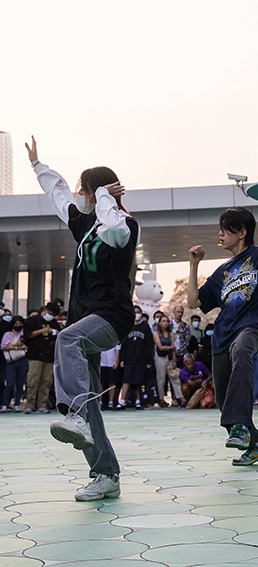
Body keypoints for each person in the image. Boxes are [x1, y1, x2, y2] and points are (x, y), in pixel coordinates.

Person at [27, 136, 138, 501]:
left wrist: (106, 196)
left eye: (87, 191)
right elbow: (59, 195)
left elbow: (117, 232)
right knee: (88, 400)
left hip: (112, 316)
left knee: (66, 339)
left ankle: (73, 415)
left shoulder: (122, 226)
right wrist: (38, 167)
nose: (82, 195)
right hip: (85, 317)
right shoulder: (84, 226)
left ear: (101, 192)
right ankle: (105, 474)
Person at [188, 207, 258, 465]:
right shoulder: (222, 272)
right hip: (221, 334)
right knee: (222, 399)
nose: (220, 233)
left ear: (241, 232)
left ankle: (240, 427)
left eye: (225, 228)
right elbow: (194, 302)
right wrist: (194, 264)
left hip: (250, 327)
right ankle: (257, 444)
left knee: (242, 352)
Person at [23, 302, 62, 414]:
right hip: (35, 355)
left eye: (53, 314)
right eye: (49, 313)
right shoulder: (33, 320)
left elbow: (60, 336)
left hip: (49, 356)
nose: (50, 316)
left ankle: (42, 405)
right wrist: (42, 331)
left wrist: (55, 334)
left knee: (46, 381)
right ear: (44, 310)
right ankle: (30, 404)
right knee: (33, 380)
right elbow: (27, 336)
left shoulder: (54, 323)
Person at [117, 306, 154, 410]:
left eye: (139, 312)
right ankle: (122, 400)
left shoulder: (145, 327)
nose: (137, 314)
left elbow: (149, 344)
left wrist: (149, 360)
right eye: (135, 312)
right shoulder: (128, 326)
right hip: (129, 358)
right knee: (126, 380)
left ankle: (138, 400)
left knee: (139, 381)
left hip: (141, 358)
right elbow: (124, 344)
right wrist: (122, 359)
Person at [153, 315, 183, 407]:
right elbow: (160, 347)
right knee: (161, 379)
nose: (165, 323)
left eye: (166, 321)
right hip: (160, 357)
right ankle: (161, 399)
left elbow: (173, 348)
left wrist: (174, 359)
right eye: (163, 321)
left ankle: (180, 397)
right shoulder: (156, 334)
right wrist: (170, 347)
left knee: (174, 378)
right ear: (160, 323)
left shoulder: (171, 334)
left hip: (169, 357)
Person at [1, 316, 29, 413]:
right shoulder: (8, 334)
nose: (18, 325)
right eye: (16, 324)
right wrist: (18, 346)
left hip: (23, 361)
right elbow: (3, 347)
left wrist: (12, 346)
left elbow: (28, 346)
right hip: (11, 362)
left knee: (20, 383)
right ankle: (5, 404)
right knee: (9, 383)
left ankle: (17, 404)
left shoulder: (24, 334)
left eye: (20, 323)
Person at [100, 346, 120, 410]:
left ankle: (110, 402)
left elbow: (117, 348)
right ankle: (99, 402)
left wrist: (116, 361)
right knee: (100, 382)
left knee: (111, 382)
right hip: (101, 363)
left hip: (111, 362)